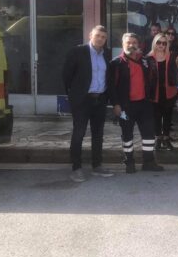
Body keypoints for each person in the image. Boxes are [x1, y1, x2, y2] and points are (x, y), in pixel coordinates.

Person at [62, 25, 113, 182]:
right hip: (82, 100)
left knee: (98, 134)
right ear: (90, 35)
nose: (100, 39)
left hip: (100, 99)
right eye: (97, 35)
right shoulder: (78, 52)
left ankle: (97, 165)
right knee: (79, 133)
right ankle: (76, 168)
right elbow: (66, 76)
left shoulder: (107, 54)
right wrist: (74, 96)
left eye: (103, 37)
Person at [108, 33, 163, 173]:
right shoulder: (116, 63)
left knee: (149, 135)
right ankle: (129, 162)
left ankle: (149, 163)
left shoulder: (145, 61)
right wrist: (115, 104)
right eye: (128, 42)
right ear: (123, 44)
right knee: (127, 136)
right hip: (125, 106)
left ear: (138, 44)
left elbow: (152, 80)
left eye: (134, 42)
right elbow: (111, 87)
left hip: (144, 105)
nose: (131, 45)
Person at [146, 33, 178, 151]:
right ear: (154, 43)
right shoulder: (148, 57)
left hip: (169, 91)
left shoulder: (172, 56)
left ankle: (166, 138)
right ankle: (158, 139)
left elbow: (176, 73)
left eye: (164, 43)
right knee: (156, 116)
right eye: (159, 42)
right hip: (154, 92)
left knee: (167, 116)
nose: (161, 45)